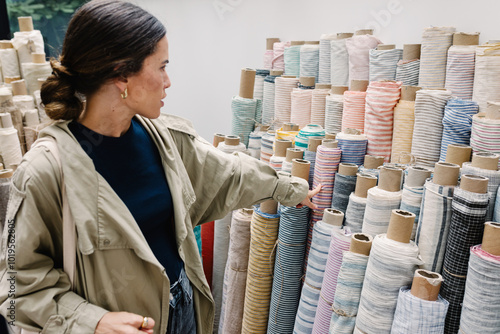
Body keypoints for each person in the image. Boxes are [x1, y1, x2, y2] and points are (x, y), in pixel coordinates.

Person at [0, 1, 319, 333]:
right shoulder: (44, 171)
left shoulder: (164, 138)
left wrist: (291, 189)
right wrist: (93, 322)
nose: (168, 81)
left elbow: (230, 173)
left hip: (184, 306)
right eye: (162, 66)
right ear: (121, 74)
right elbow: (16, 287)